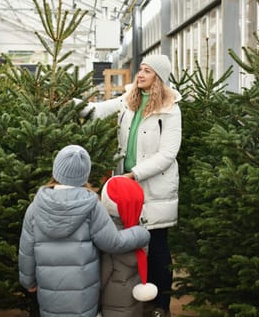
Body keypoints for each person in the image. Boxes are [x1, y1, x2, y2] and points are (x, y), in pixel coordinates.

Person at [77, 54, 182, 317]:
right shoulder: (129, 100)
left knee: (157, 246)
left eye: (147, 71)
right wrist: (70, 104)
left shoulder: (170, 108)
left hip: (154, 187)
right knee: (129, 245)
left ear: (158, 77)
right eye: (140, 69)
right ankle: (135, 300)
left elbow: (168, 154)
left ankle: (161, 305)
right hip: (126, 187)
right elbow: (98, 111)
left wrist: (134, 174)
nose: (140, 74)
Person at [18, 144, 151, 317]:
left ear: (56, 171)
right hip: (83, 294)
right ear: (84, 175)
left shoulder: (36, 207)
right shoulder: (92, 205)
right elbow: (112, 242)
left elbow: (26, 250)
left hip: (49, 292)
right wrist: (141, 234)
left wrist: (28, 281)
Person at [100, 176, 158, 317]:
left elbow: (103, 274)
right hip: (133, 297)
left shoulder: (109, 237)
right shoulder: (140, 232)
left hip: (112, 301)